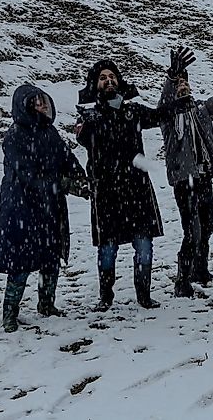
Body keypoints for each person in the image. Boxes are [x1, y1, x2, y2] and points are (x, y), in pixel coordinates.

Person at [0, 85, 88, 332]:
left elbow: (67, 159)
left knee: (50, 257)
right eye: (35, 103)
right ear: (24, 106)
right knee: (20, 264)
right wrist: (63, 184)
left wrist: (82, 180)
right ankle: (10, 313)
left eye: (42, 102)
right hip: (21, 209)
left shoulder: (50, 133)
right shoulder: (14, 136)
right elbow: (27, 175)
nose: (40, 107)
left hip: (50, 207)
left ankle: (46, 304)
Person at [157, 45, 213, 297]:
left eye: (185, 84)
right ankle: (182, 280)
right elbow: (163, 102)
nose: (183, 87)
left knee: (206, 227)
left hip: (204, 176)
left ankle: (200, 270)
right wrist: (172, 77)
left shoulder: (201, 111)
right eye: (179, 86)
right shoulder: (168, 116)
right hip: (183, 180)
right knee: (192, 230)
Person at [76, 60, 164, 311]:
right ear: (95, 86)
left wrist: (172, 84)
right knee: (107, 249)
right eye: (103, 78)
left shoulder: (133, 111)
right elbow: (86, 140)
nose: (109, 80)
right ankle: (106, 297)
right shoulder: (89, 117)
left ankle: (144, 295)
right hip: (106, 192)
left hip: (136, 188)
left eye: (112, 76)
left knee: (144, 245)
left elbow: (160, 115)